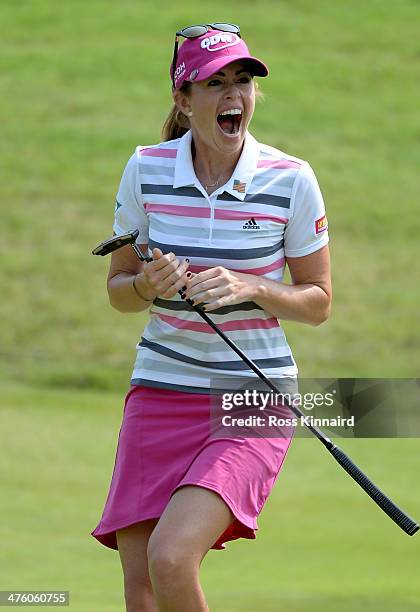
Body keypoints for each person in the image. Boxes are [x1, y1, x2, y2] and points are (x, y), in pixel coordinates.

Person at [91, 23, 331, 612]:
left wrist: (252, 286)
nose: (234, 95)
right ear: (183, 99)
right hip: (161, 391)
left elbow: (318, 300)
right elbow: (119, 290)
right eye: (215, 82)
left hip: (253, 396)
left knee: (171, 557)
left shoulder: (290, 179)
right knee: (142, 585)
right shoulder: (146, 168)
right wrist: (147, 283)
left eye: (243, 81)